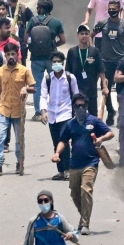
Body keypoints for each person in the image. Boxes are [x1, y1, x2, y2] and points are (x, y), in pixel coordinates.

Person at [52, 93, 114, 234]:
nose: (80, 108)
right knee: (75, 193)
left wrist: (101, 139)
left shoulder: (94, 121)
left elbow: (110, 133)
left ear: (86, 107)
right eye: (77, 106)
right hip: (75, 164)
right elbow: (63, 140)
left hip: (91, 162)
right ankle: (83, 216)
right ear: (73, 107)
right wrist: (57, 153)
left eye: (83, 106)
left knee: (86, 189)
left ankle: (85, 223)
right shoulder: (70, 124)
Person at [0, 42, 34, 175]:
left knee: (19, 139)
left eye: (13, 54)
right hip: (3, 109)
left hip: (18, 110)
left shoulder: (24, 70)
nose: (11, 57)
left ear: (17, 55)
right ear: (5, 56)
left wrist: (26, 88)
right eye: (8, 54)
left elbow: (33, 87)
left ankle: (19, 161)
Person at [40, 51, 80, 180]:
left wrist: (78, 113)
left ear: (63, 63)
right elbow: (43, 96)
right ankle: (61, 171)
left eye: (59, 61)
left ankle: (68, 169)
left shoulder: (70, 78)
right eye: (54, 62)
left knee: (64, 142)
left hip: (66, 114)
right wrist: (43, 111)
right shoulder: (47, 79)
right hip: (52, 115)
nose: (56, 64)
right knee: (56, 142)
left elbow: (76, 96)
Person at [93, 0, 124, 124]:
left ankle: (122, 115)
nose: (111, 11)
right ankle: (110, 111)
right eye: (109, 9)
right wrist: (93, 49)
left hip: (120, 60)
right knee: (105, 88)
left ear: (119, 9)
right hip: (105, 61)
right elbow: (91, 35)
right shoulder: (102, 23)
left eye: (114, 9)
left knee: (122, 90)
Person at [26, 0, 66, 118]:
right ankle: (55, 110)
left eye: (38, 7)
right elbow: (63, 40)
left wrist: (32, 45)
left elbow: (26, 39)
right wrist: (54, 45)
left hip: (36, 58)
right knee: (55, 82)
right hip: (52, 58)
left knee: (37, 84)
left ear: (41, 8)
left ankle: (38, 112)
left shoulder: (32, 21)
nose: (37, 9)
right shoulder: (56, 22)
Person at [65, 25, 102, 116]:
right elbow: (67, 72)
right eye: (81, 34)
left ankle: (92, 130)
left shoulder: (94, 51)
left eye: (86, 33)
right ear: (78, 35)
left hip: (91, 89)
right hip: (76, 89)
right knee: (76, 114)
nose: (84, 36)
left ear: (89, 35)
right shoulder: (72, 51)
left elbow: (101, 69)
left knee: (93, 115)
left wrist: (104, 86)